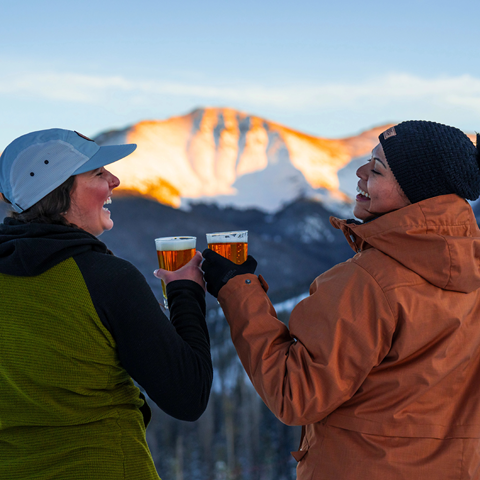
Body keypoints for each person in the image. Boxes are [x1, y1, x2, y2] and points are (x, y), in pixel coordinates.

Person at [202, 120, 480, 479]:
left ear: (416, 191)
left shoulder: (368, 281)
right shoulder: (470, 269)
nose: (361, 173)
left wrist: (236, 287)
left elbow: (295, 393)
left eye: (376, 169)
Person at [0, 129, 213, 479]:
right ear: (59, 192)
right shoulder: (106, 278)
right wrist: (185, 292)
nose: (115, 180)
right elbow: (188, 396)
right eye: (98, 173)